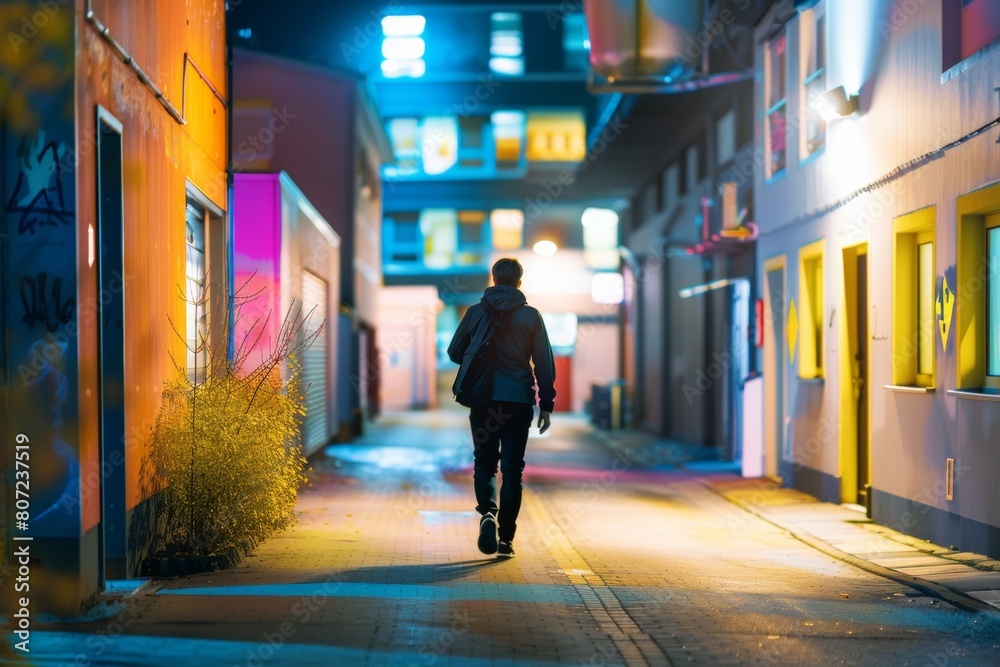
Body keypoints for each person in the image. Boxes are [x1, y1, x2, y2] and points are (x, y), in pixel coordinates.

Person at [448, 258, 556, 558]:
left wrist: (478, 354)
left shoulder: (475, 312)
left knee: (484, 463)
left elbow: (454, 352)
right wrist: (546, 404)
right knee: (512, 470)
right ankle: (506, 540)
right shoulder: (531, 316)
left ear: (494, 279)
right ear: (519, 283)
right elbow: (544, 363)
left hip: (483, 400)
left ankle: (488, 514)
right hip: (518, 401)